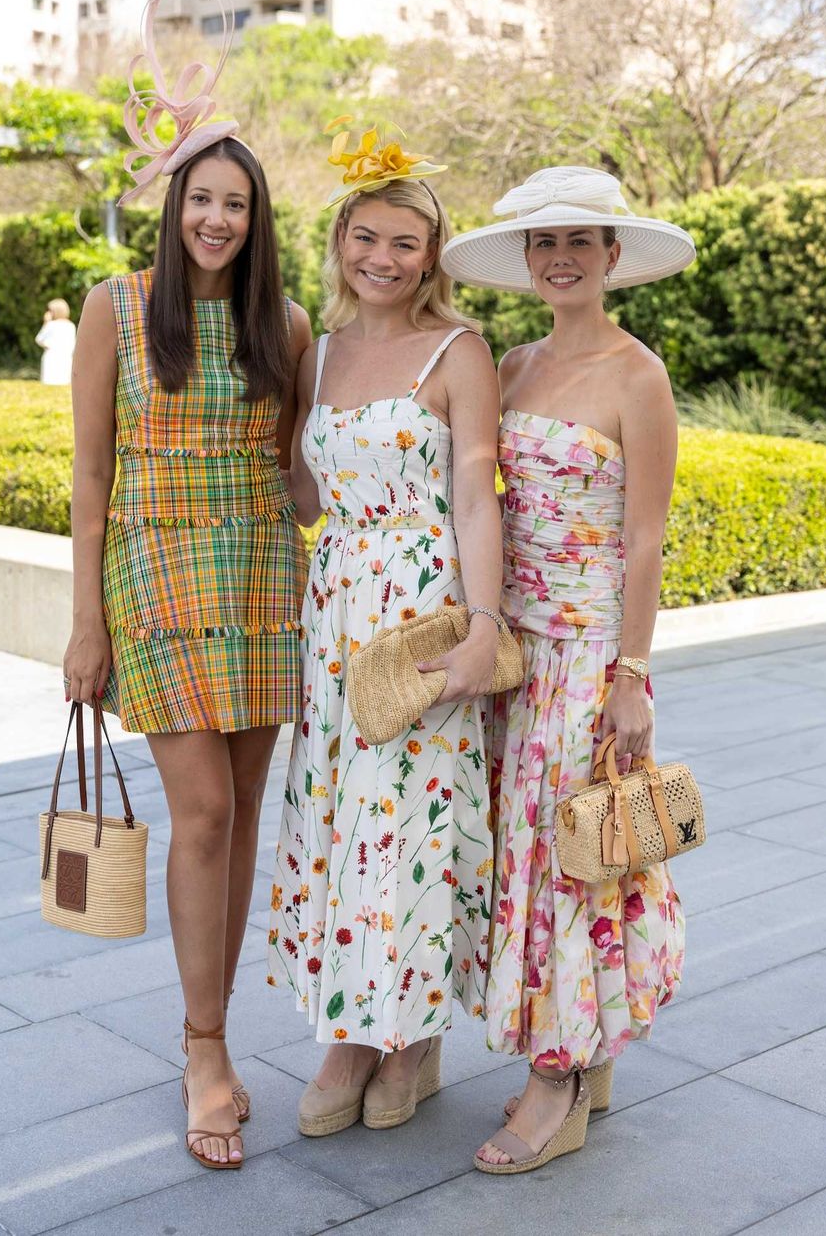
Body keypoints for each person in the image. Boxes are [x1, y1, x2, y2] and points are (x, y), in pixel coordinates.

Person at [63, 0, 310, 1171]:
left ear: (258, 222)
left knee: (245, 810)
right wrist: (82, 627)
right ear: (175, 208)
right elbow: (88, 477)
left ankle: (215, 1028)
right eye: (202, 199)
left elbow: (299, 469)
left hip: (264, 574)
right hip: (154, 579)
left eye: (237, 204)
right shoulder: (116, 312)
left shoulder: (290, 327)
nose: (217, 218)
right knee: (200, 809)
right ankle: (204, 1042)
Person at [441, 166, 695, 1174]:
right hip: (515, 649)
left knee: (570, 859)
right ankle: (580, 1053)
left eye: (579, 242)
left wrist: (631, 672)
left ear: (610, 256)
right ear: (524, 260)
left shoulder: (639, 376)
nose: (558, 259)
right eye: (543, 245)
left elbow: (643, 540)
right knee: (528, 852)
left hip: (588, 653)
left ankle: (555, 1080)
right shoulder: (506, 364)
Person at [267, 122, 503, 1136]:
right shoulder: (313, 354)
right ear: (339, 239)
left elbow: (476, 494)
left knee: (407, 821)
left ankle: (408, 1032)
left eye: (403, 242)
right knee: (336, 821)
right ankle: (347, 1027)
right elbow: (304, 489)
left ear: (432, 253)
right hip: (334, 608)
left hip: (420, 609)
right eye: (365, 236)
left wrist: (483, 625)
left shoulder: (459, 349)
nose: (382, 257)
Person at [36, 298, 76, 385]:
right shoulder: (71, 325)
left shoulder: (51, 325)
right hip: (66, 358)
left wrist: (45, 323)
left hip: (52, 358)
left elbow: (39, 339)